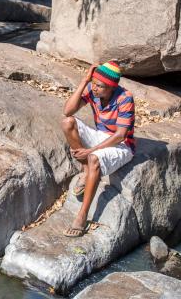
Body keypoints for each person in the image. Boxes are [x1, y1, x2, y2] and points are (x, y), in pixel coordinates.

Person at [61, 61, 135, 237]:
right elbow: (67, 110)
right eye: (93, 83)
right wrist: (85, 81)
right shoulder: (92, 89)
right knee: (67, 123)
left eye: (99, 86)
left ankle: (82, 215)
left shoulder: (125, 98)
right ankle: (86, 171)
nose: (94, 88)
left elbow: (120, 135)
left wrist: (89, 151)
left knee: (93, 158)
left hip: (122, 145)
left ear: (111, 87)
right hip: (101, 135)